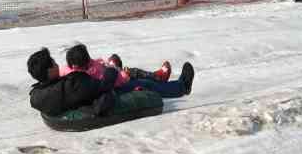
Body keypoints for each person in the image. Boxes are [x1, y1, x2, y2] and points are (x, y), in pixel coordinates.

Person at [63, 43, 194, 99]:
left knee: (141, 79)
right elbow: (114, 81)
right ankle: (181, 87)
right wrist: (123, 75)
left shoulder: (69, 71)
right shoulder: (92, 73)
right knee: (146, 84)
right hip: (116, 89)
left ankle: (158, 77)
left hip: (113, 85)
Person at [27, 47, 117, 117]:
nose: (57, 65)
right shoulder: (74, 83)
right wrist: (111, 70)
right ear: (49, 70)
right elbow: (105, 85)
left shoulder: (35, 96)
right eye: (54, 64)